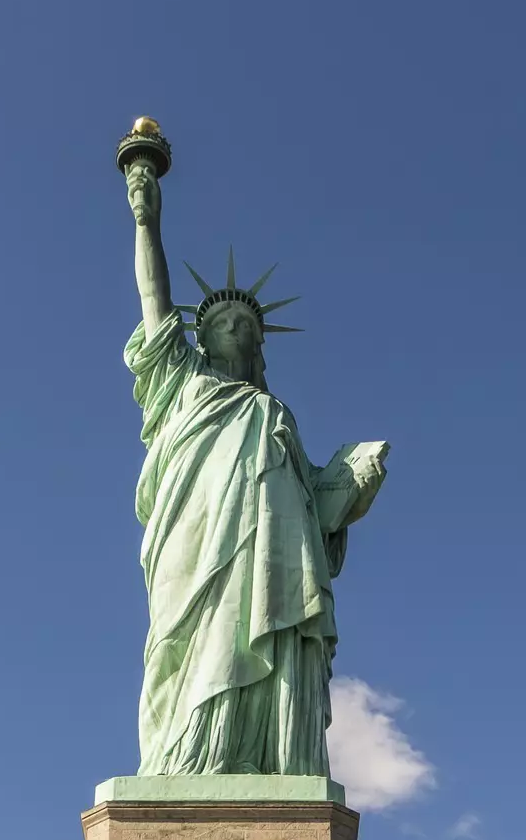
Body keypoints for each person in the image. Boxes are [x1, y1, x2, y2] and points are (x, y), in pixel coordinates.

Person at [124, 147, 388, 777]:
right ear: (202, 335)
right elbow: (155, 299)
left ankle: (270, 760)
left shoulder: (277, 418)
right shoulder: (181, 386)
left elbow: (315, 518)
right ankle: (188, 762)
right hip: (195, 552)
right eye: (225, 321)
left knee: (269, 627)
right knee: (190, 644)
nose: (240, 330)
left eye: (250, 323)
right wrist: (146, 223)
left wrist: (348, 485)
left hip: (271, 566)